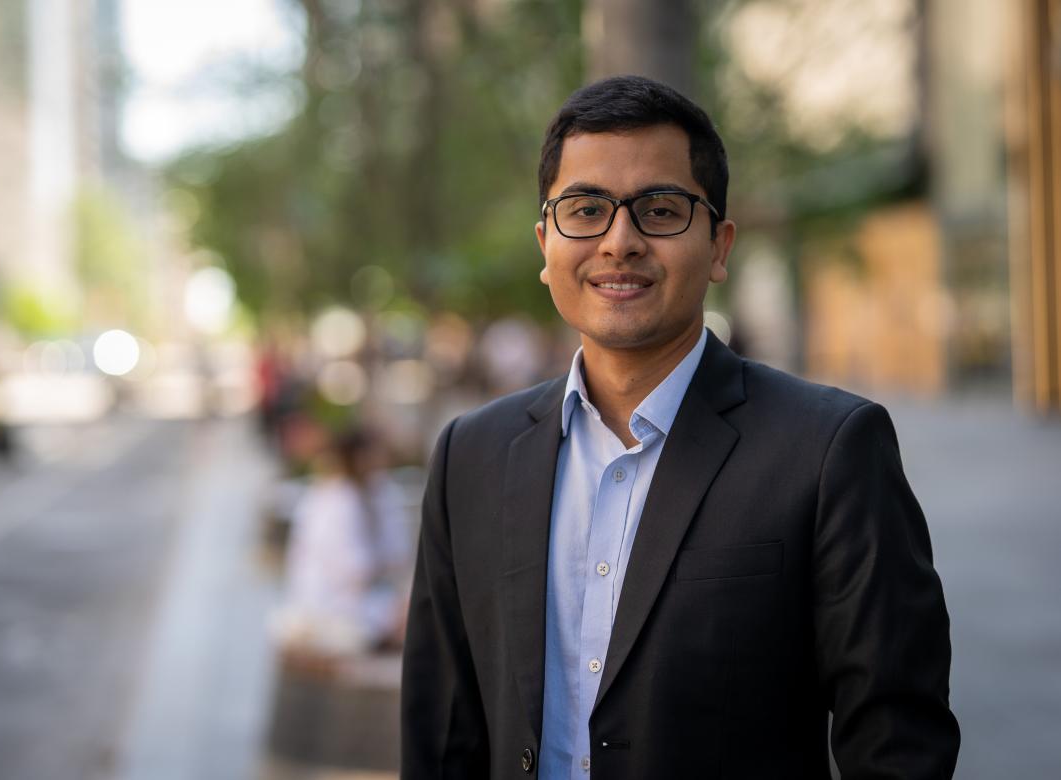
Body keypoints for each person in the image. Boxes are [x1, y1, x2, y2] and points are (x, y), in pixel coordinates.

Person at [401, 76, 959, 779]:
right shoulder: (470, 455)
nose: (620, 241)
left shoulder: (829, 450)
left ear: (719, 246)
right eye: (586, 209)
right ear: (546, 244)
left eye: (660, 210)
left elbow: (898, 743)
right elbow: (442, 730)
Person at [274, 427, 410, 656]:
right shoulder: (333, 500)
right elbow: (351, 569)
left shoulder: (380, 491)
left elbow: (398, 554)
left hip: (365, 598)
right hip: (331, 606)